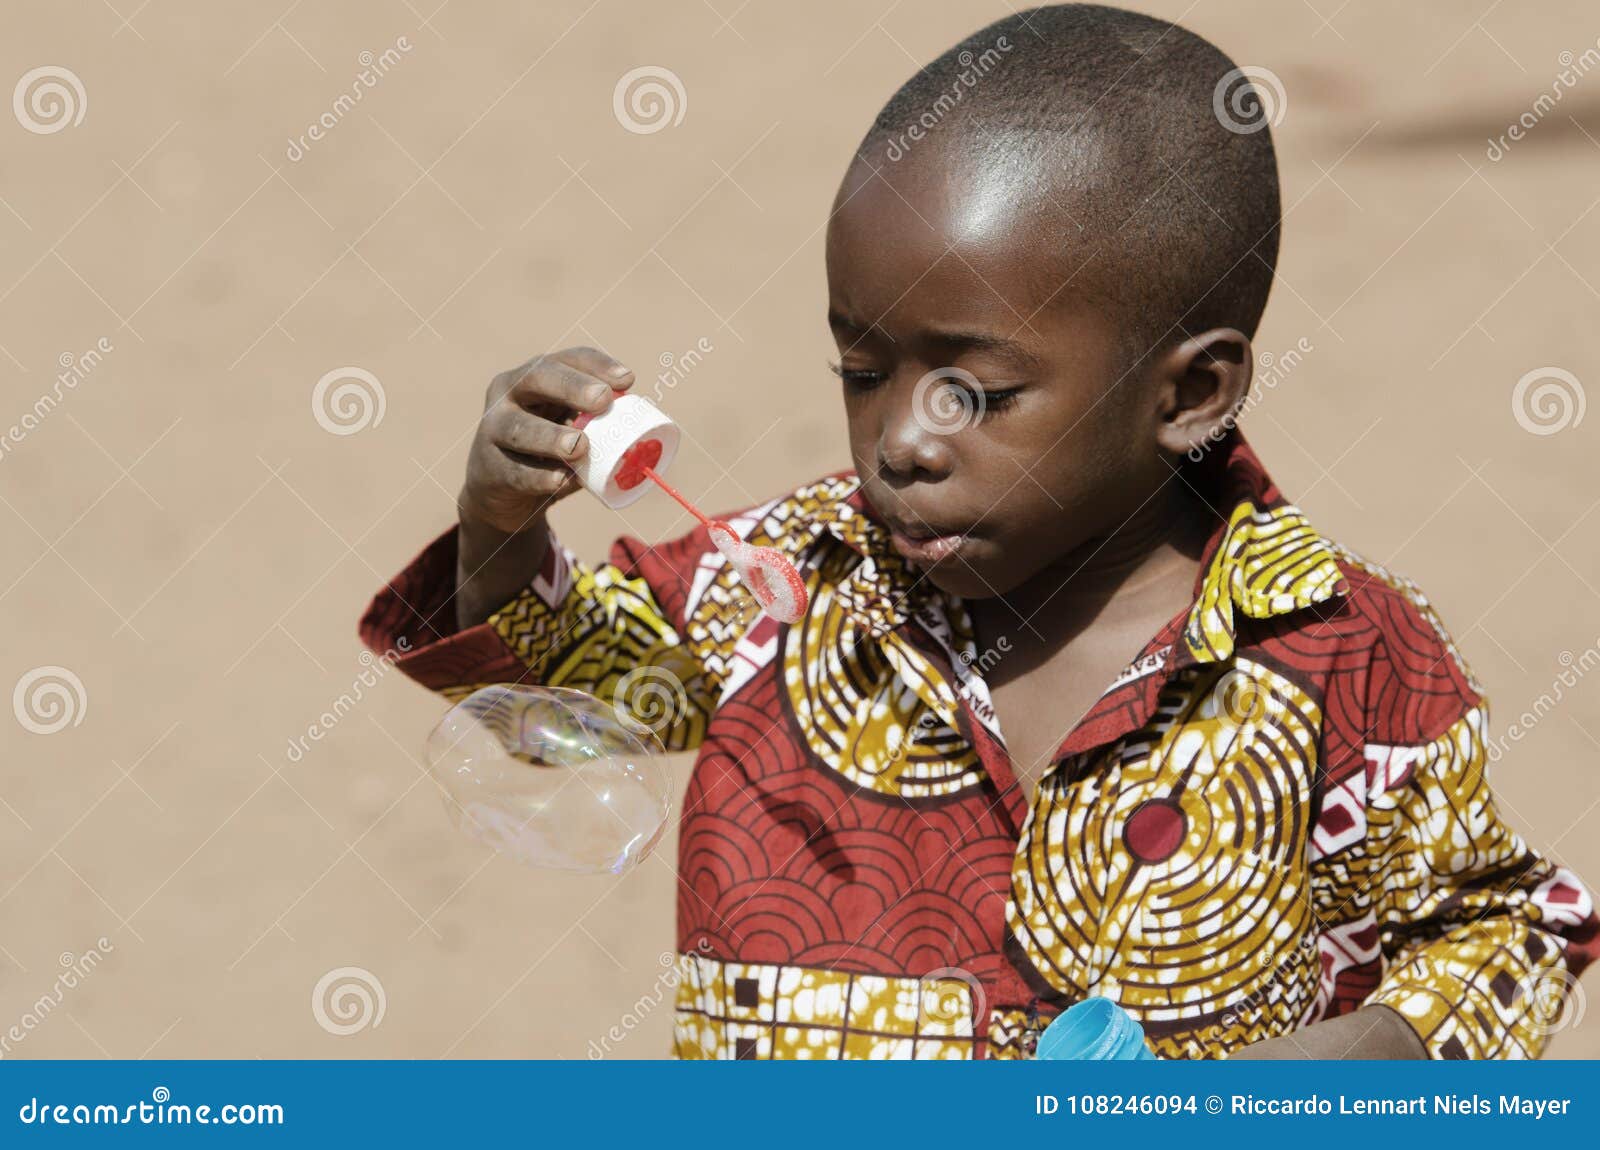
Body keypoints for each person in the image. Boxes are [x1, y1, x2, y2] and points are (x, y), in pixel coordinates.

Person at [360, 4, 1598, 1059]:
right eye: (860, 370)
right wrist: (498, 522)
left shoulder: (1336, 652)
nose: (900, 437)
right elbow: (557, 701)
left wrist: (1364, 1056)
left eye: (977, 394)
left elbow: (1503, 923)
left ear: (1189, 395)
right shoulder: (788, 578)